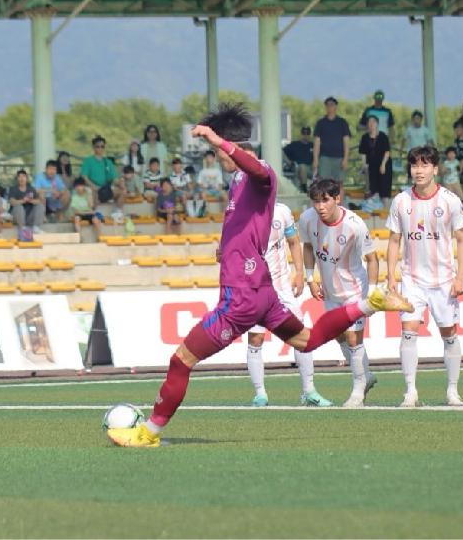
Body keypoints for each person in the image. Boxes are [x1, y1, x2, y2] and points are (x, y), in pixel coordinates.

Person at [106, 104, 412, 447]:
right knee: (306, 340)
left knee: (181, 361)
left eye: (218, 149)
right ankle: (371, 303)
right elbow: (244, 222)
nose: (217, 156)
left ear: (229, 146)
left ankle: (149, 433)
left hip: (242, 298)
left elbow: (258, 170)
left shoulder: (260, 173)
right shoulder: (237, 182)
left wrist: (218, 141)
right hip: (260, 291)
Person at [386, 146, 463, 407]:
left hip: (444, 280)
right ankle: (410, 391)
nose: (418, 171)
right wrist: (391, 277)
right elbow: (393, 240)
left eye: (424, 165)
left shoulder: (449, 200)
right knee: (408, 331)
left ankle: (452, 391)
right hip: (412, 279)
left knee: (449, 334)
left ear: (435, 169)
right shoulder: (400, 201)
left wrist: (461, 277)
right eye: (414, 166)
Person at [299, 179, 382, 408]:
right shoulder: (307, 219)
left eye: (325, 201)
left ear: (337, 199)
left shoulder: (355, 225)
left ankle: (358, 390)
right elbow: (307, 246)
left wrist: (372, 294)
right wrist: (310, 279)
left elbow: (372, 259)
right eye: (315, 201)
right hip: (330, 291)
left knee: (354, 338)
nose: (320, 207)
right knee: (339, 336)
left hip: (355, 290)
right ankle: (366, 375)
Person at [246, 201, 332, 408]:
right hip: (254, 288)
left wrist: (300, 273)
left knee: (302, 336)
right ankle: (260, 394)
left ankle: (309, 391)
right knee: (256, 338)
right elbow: (226, 250)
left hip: (282, 287)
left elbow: (293, 242)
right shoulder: (242, 212)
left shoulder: (282, 211)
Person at [312, 96, 351, 183]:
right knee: (324, 182)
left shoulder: (342, 122)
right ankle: (326, 197)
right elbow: (317, 142)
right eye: (328, 105)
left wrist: (346, 158)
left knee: (339, 183)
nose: (330, 107)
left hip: (339, 157)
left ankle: (339, 197)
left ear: (336, 106)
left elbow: (346, 141)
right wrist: (315, 159)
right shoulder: (321, 123)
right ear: (325, 107)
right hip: (325, 157)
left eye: (332, 105)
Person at [80, 135, 123, 209]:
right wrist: (94, 186)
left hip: (105, 188)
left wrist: (120, 182)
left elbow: (114, 178)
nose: (100, 148)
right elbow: (84, 177)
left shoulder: (108, 162)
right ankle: (94, 215)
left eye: (102, 146)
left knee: (122, 191)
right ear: (93, 147)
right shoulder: (88, 161)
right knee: (92, 192)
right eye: (98, 146)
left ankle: (117, 213)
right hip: (92, 188)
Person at [358, 116, 391, 202]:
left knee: (384, 190)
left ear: (377, 124)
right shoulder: (364, 137)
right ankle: (372, 211)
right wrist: (364, 164)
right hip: (371, 166)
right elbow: (363, 153)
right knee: (371, 190)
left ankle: (386, 211)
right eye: (369, 122)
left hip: (383, 165)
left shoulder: (383, 136)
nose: (371, 124)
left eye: (373, 122)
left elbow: (387, 152)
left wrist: (383, 164)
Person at [9, 169, 45, 237]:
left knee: (40, 206)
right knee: (18, 206)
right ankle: (22, 228)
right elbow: (12, 202)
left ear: (26, 178)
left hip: (29, 217)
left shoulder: (31, 189)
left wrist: (30, 200)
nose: (21, 178)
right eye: (19, 177)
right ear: (17, 179)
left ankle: (36, 227)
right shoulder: (13, 189)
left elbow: (39, 201)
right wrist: (23, 200)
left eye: (23, 176)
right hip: (17, 218)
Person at [283, 126, 313, 191]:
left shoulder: (312, 145)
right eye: (304, 133)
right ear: (301, 134)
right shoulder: (294, 144)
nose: (305, 135)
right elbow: (282, 152)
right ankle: (304, 187)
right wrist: (289, 162)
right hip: (297, 167)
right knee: (302, 167)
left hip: (311, 168)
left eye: (307, 133)